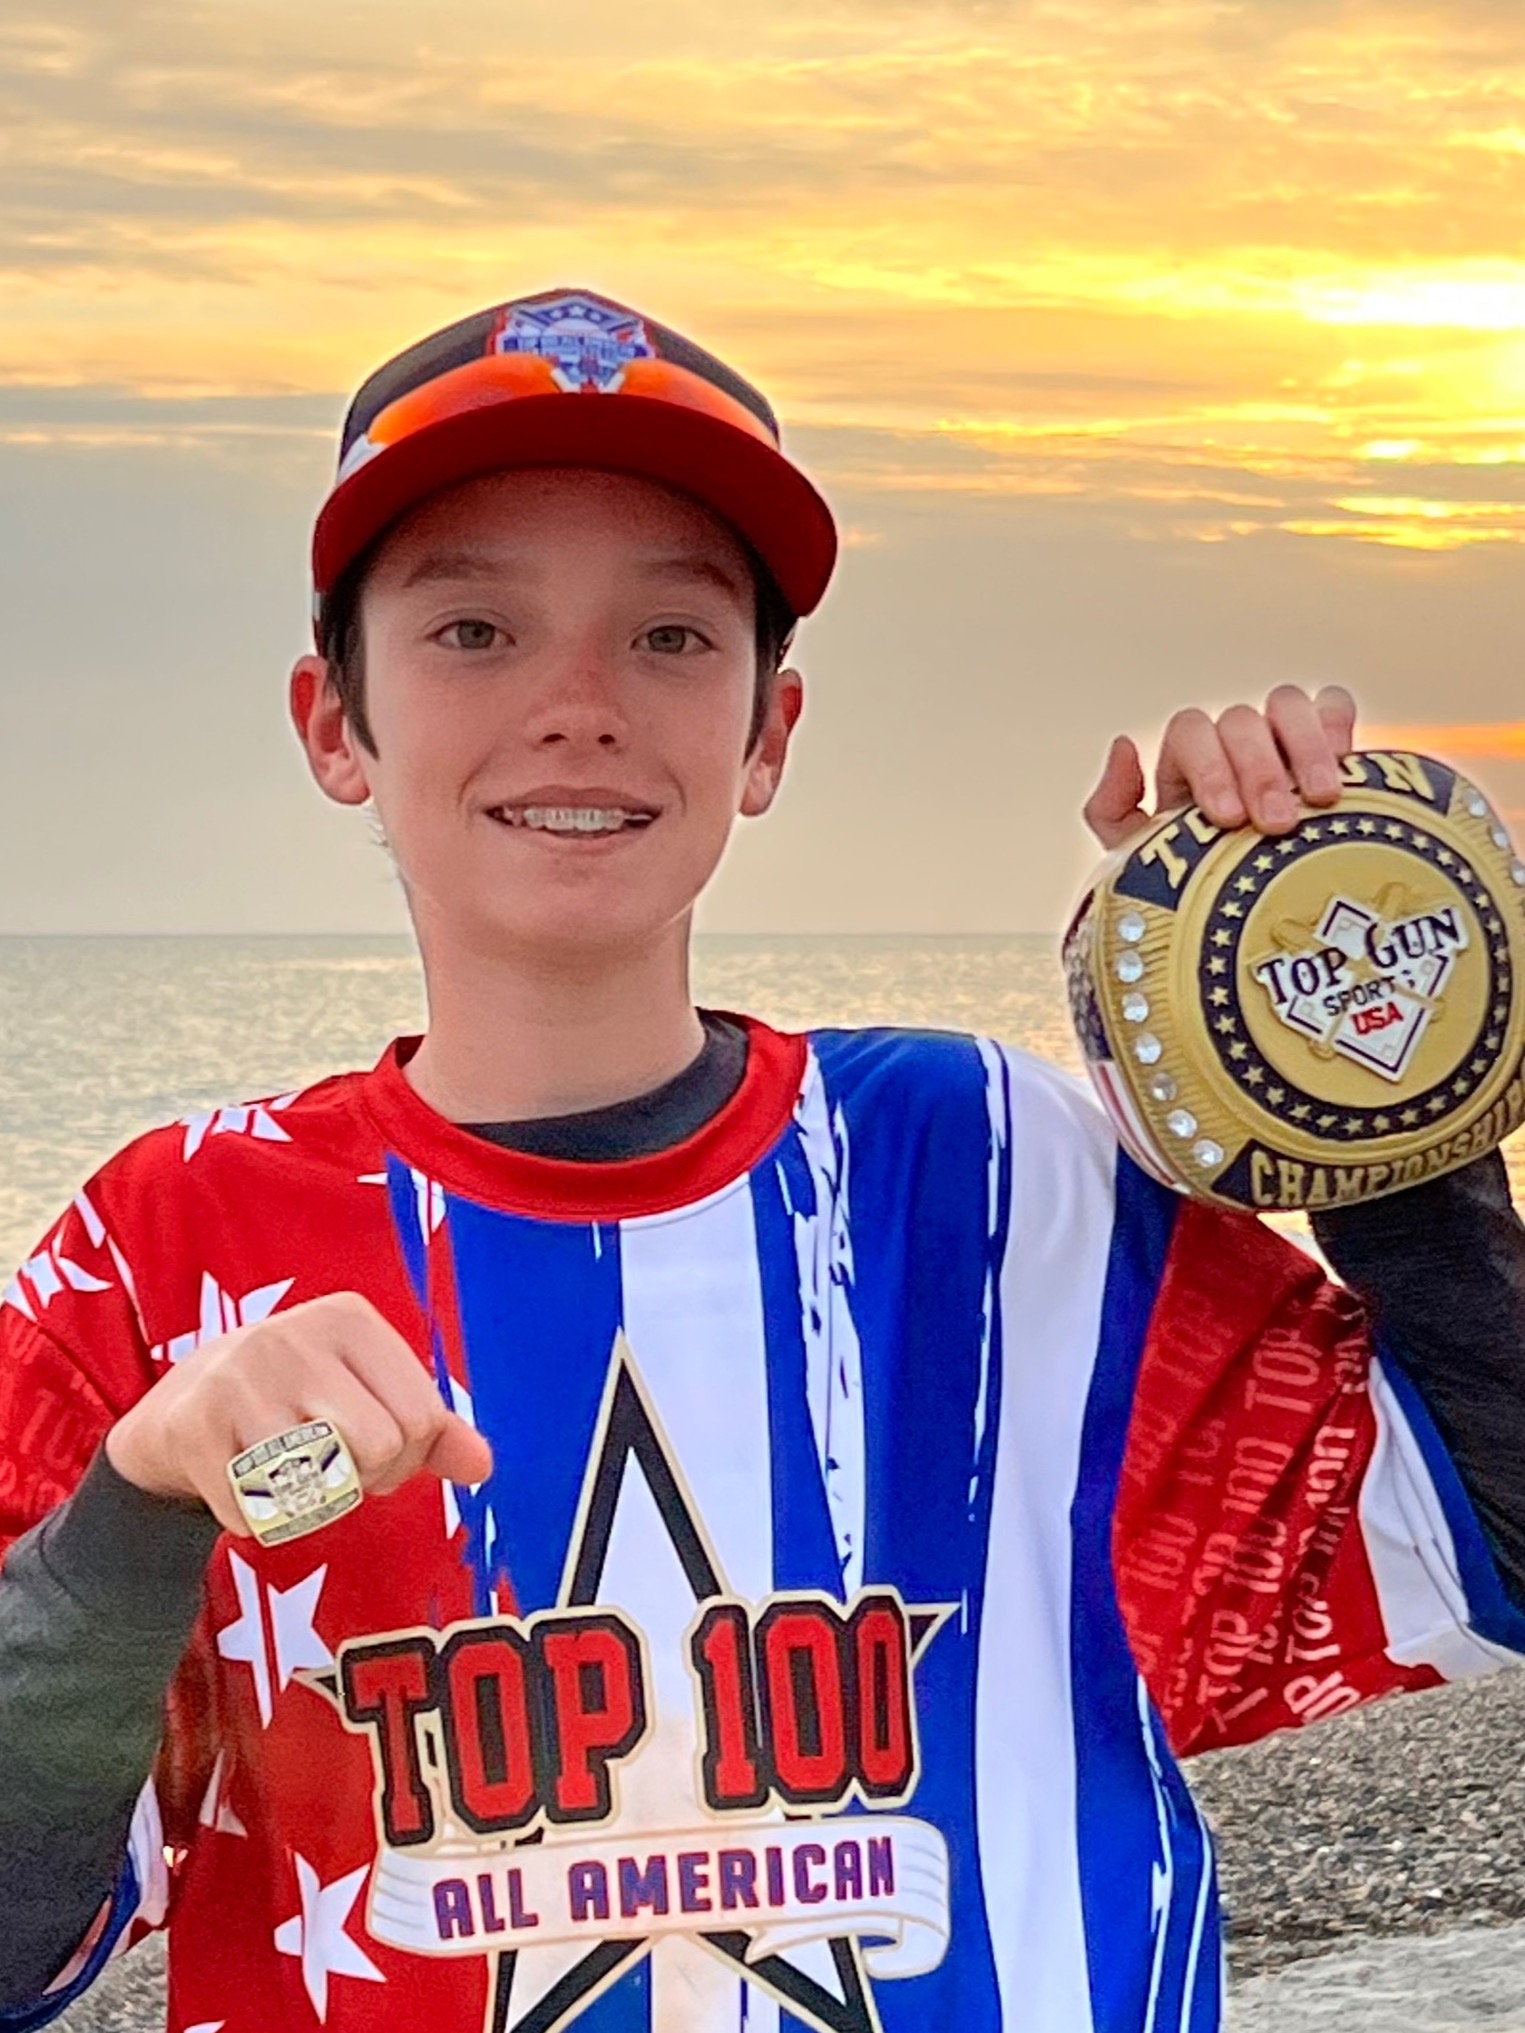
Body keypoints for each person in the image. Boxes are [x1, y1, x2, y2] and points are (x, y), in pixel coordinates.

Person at [0, 286, 1522, 2033]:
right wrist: (134, 1512)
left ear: (768, 731)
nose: (578, 703)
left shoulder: (993, 1172)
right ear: (333, 721)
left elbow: (1483, 1564)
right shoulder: (166, 1245)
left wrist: (1356, 1052)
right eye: (474, 628)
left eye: (669, 635)